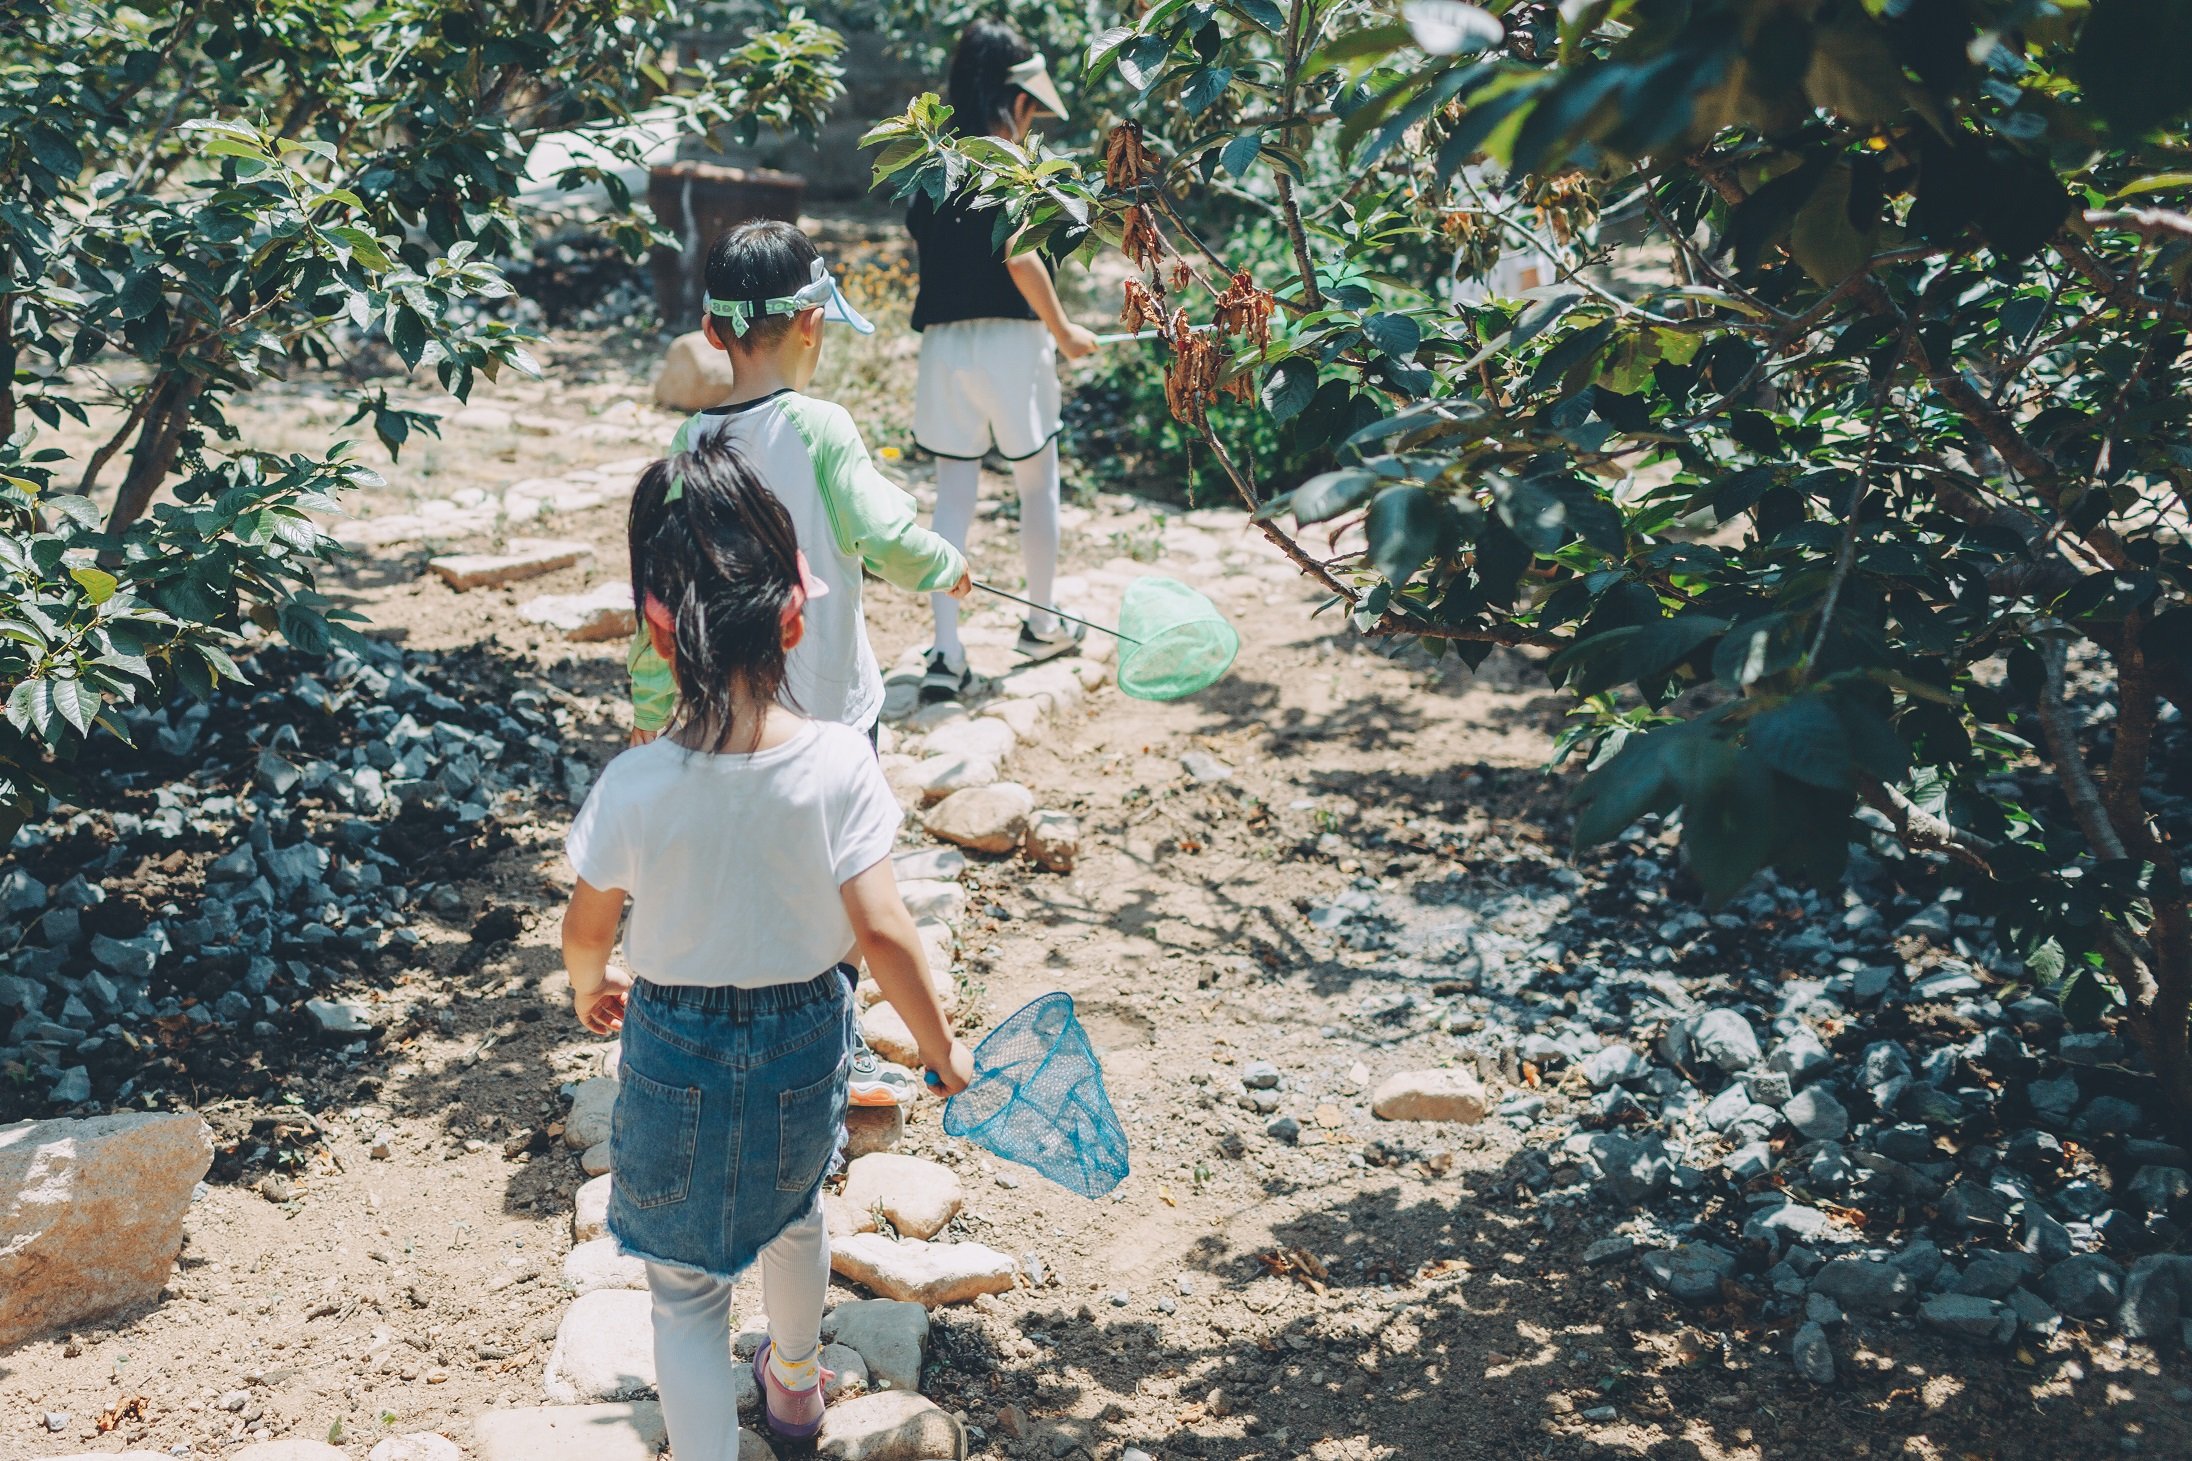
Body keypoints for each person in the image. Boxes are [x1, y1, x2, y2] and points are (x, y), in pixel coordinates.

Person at [563, 442, 975, 1454]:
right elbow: (883, 930)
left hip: (672, 1045)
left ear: (658, 634)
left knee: (686, 1297)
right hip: (801, 1032)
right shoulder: (838, 763)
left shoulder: (635, 783)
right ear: (795, 616)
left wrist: (589, 984)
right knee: (792, 1213)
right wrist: (939, 1051)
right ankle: (794, 1385)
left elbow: (584, 926)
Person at [628, 219, 973, 742]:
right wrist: (946, 565)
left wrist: (650, 713)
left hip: (734, 720)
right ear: (811, 324)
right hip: (834, 714)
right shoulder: (822, 426)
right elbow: (882, 538)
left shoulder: (690, 442)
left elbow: (663, 586)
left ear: (711, 333)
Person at [909, 19, 1098, 701]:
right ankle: (1041, 624)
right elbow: (1021, 256)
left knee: (953, 494)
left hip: (944, 346)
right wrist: (1068, 330)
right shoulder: (1009, 160)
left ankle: (946, 652)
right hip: (1013, 345)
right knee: (1034, 484)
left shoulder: (931, 162)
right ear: (1018, 99)